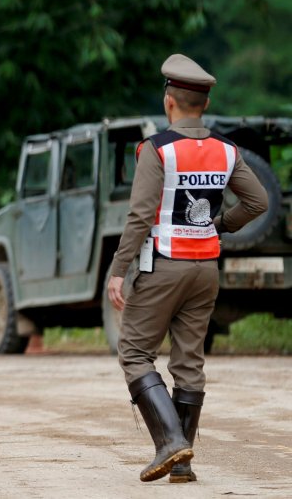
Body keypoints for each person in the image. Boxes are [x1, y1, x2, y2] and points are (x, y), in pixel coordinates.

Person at [107, 54, 268, 483]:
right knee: (189, 361)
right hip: (205, 270)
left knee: (135, 353)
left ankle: (170, 443)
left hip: (163, 267)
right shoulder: (228, 151)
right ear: (204, 103)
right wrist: (218, 225)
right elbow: (258, 203)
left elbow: (140, 217)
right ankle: (183, 464)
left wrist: (119, 269)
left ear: (169, 102)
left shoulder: (156, 149)